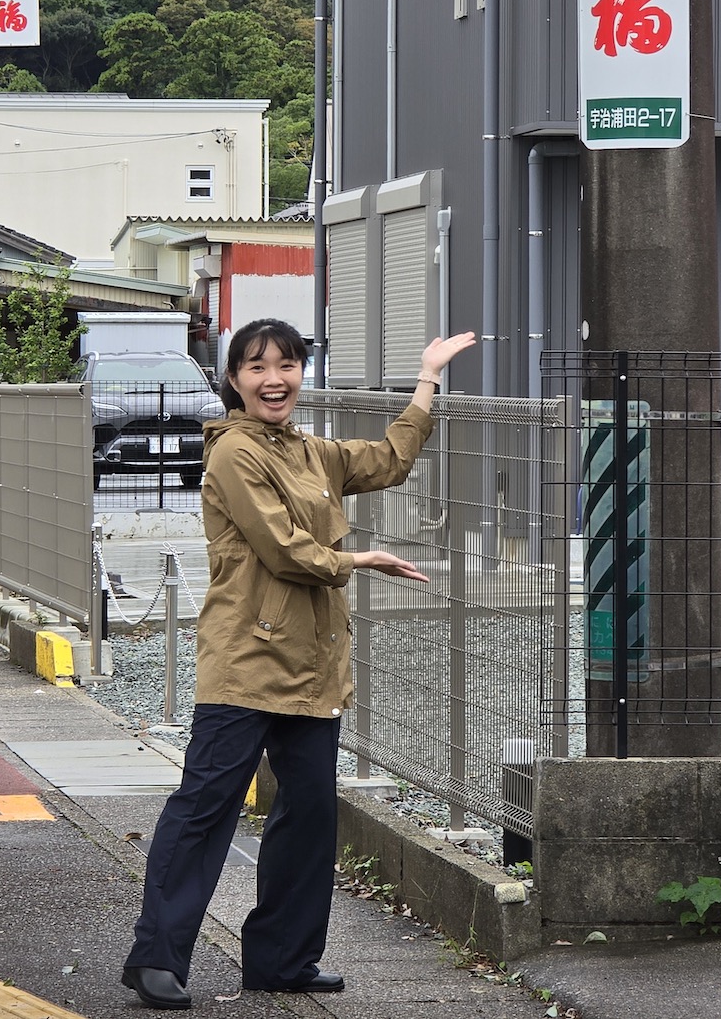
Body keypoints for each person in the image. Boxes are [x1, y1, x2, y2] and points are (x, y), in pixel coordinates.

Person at [121, 318, 478, 1011]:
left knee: (309, 816)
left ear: (300, 374)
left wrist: (428, 377)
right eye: (256, 366)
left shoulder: (313, 452)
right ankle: (155, 960)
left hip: (313, 668)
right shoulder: (234, 454)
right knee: (204, 810)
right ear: (233, 380)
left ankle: (282, 960)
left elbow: (388, 460)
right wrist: (358, 559)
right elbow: (285, 550)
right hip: (246, 662)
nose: (274, 378)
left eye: (286, 364)